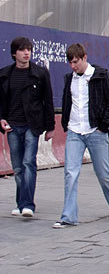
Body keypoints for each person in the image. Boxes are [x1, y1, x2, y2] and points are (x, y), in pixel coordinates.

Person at [53, 43, 109, 228]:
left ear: (84, 57)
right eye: (70, 62)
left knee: (103, 173)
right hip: (75, 130)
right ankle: (68, 216)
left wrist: (104, 125)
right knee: (70, 172)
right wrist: (65, 123)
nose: (73, 66)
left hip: (95, 131)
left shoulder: (100, 75)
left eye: (75, 61)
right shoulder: (70, 78)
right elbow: (67, 101)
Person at [0, 37, 55, 217]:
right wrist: (1, 119)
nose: (26, 53)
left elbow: (48, 100)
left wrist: (50, 127)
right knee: (17, 167)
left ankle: (28, 205)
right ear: (14, 53)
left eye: (29, 50)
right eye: (23, 50)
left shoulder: (40, 73)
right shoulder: (5, 74)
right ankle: (20, 202)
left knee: (28, 163)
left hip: (32, 125)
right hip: (12, 127)